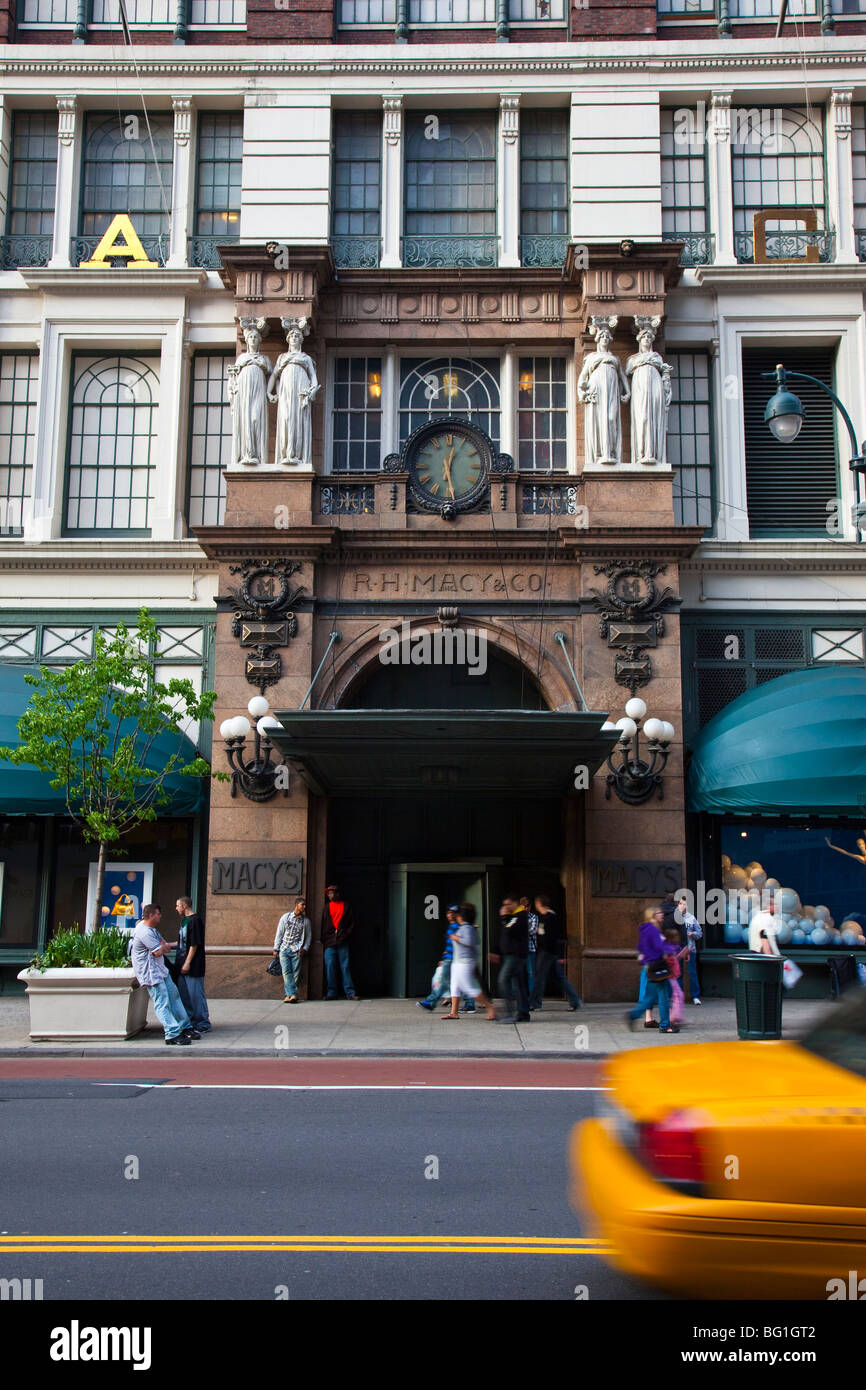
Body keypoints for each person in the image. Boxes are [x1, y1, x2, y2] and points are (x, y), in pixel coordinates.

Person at [131, 904, 199, 1046]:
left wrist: (162, 947)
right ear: (151, 915)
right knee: (162, 1003)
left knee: (174, 997)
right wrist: (161, 947)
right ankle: (171, 1034)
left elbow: (165, 947)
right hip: (150, 974)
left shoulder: (152, 931)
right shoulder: (144, 932)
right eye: (158, 914)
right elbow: (158, 951)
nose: (160, 916)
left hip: (160, 970)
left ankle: (185, 1027)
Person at [626, 907, 679, 1034]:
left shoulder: (647, 929)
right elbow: (659, 947)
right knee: (663, 996)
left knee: (651, 997)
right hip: (657, 966)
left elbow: (641, 947)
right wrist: (673, 948)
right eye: (659, 913)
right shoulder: (653, 929)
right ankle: (665, 1025)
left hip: (651, 966)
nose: (662, 914)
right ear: (653, 915)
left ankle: (633, 1015)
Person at [441, 904, 496, 1021]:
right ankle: (454, 1012)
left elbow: (469, 941)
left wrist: (455, 938)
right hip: (458, 961)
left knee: (467, 987)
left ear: (461, 916)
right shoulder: (464, 927)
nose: (455, 916)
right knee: (454, 986)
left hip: (465, 962)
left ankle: (489, 1007)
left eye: (458, 914)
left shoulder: (467, 928)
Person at [417, 906, 475, 1013]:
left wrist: (448, 957)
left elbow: (461, 943)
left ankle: (431, 1002)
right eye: (448, 913)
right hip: (450, 959)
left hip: (454, 959)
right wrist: (444, 956)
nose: (450, 915)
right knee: (459, 982)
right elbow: (451, 944)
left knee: (445, 981)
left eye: (453, 913)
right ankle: (470, 1004)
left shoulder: (459, 927)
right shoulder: (452, 926)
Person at [530, 894, 582, 1011]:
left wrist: (558, 954)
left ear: (539, 904)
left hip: (547, 952)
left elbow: (554, 937)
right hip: (549, 952)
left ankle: (535, 1003)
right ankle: (575, 1000)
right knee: (558, 977)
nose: (536, 906)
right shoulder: (545, 917)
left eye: (536, 903)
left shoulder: (550, 917)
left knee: (540, 977)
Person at [489, 893, 530, 1024]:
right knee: (518, 984)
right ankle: (523, 1013)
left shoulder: (520, 916)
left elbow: (510, 931)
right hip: (510, 955)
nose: (505, 907)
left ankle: (509, 1012)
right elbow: (505, 935)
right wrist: (496, 950)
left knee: (503, 980)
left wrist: (504, 917)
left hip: (515, 955)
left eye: (508, 904)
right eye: (504, 905)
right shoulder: (513, 917)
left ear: (515, 903)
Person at [174, 895, 211, 1033]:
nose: (176, 908)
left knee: (195, 994)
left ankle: (202, 1022)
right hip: (181, 963)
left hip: (193, 965)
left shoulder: (195, 921)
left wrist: (188, 962)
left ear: (184, 906)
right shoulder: (184, 921)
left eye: (178, 905)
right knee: (184, 994)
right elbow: (182, 942)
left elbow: (194, 944)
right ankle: (189, 1021)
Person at [322, 884, 359, 1000]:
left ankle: (350, 992)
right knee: (330, 966)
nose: (330, 895)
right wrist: (324, 939)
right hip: (329, 942)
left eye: (332, 893)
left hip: (343, 941)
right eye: (328, 893)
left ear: (337, 893)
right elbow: (322, 924)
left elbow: (352, 923)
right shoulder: (326, 907)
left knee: (345, 966)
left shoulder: (346, 906)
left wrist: (346, 934)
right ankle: (331, 992)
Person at [272, 897, 312, 1003]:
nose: (304, 907)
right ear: (296, 905)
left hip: (296, 950)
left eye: (304, 905)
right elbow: (279, 933)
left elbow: (308, 937)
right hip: (284, 949)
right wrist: (276, 948)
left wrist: (304, 949)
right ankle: (292, 994)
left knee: (295, 973)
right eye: (302, 904)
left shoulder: (306, 921)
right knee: (286, 972)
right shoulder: (286, 917)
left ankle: (288, 995)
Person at [675, 892, 703, 1004]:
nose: (682, 906)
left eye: (684, 904)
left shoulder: (691, 918)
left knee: (692, 973)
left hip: (690, 949)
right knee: (678, 973)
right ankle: (679, 996)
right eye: (680, 904)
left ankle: (695, 996)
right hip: (678, 950)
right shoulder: (674, 918)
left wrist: (693, 934)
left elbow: (700, 933)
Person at [665, 926, 686, 1027]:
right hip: (671, 976)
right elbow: (672, 961)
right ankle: (674, 1017)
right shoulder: (671, 948)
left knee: (676, 995)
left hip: (671, 976)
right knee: (678, 995)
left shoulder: (670, 948)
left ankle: (674, 1016)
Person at [522, 896, 538, 1003]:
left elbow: (532, 931)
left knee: (531, 974)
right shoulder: (517, 917)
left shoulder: (534, 917)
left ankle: (533, 1000)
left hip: (530, 949)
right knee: (519, 974)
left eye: (527, 906)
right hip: (519, 950)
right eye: (524, 906)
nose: (526, 908)